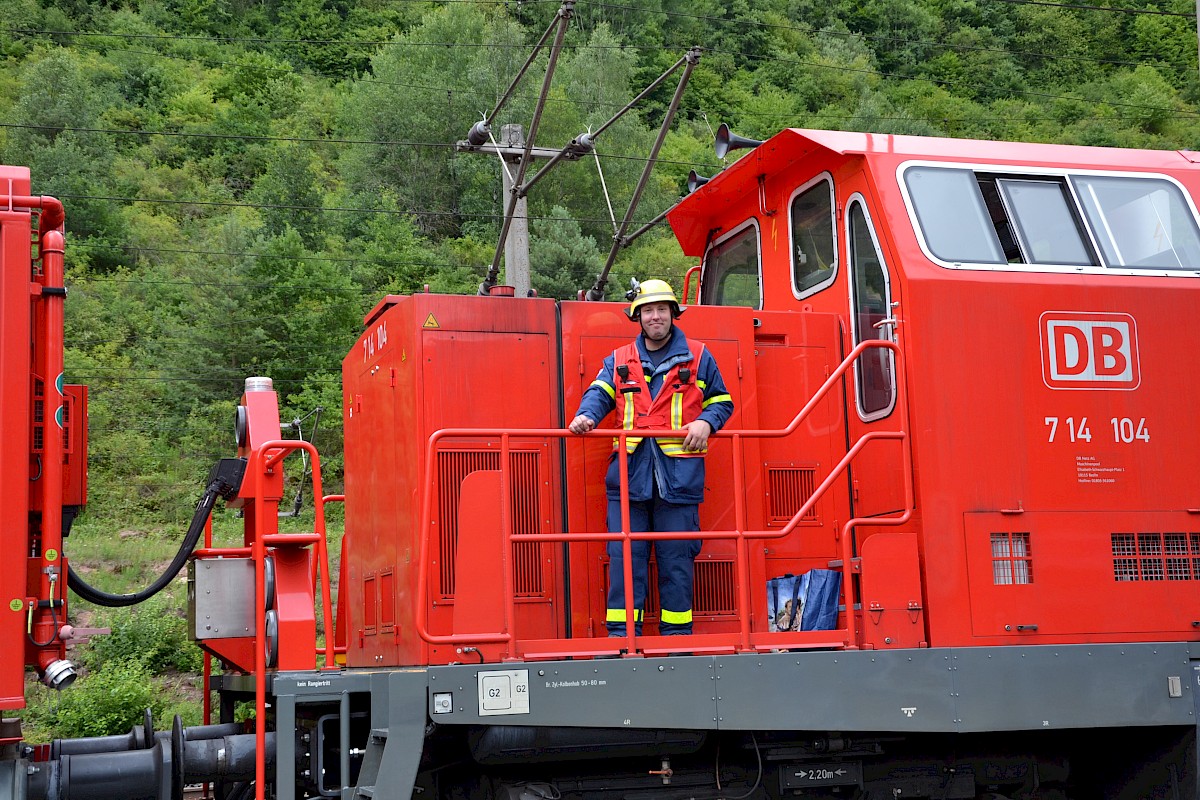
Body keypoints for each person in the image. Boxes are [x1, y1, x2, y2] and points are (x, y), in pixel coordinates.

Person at [569, 279, 733, 638]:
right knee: (626, 559)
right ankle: (622, 637)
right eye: (647, 310)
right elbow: (598, 394)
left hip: (679, 478)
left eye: (661, 309)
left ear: (673, 314)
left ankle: (677, 640)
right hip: (629, 480)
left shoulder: (700, 356)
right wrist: (586, 416)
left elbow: (722, 401)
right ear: (637, 316)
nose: (655, 316)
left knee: (677, 561)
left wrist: (707, 421)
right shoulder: (618, 360)